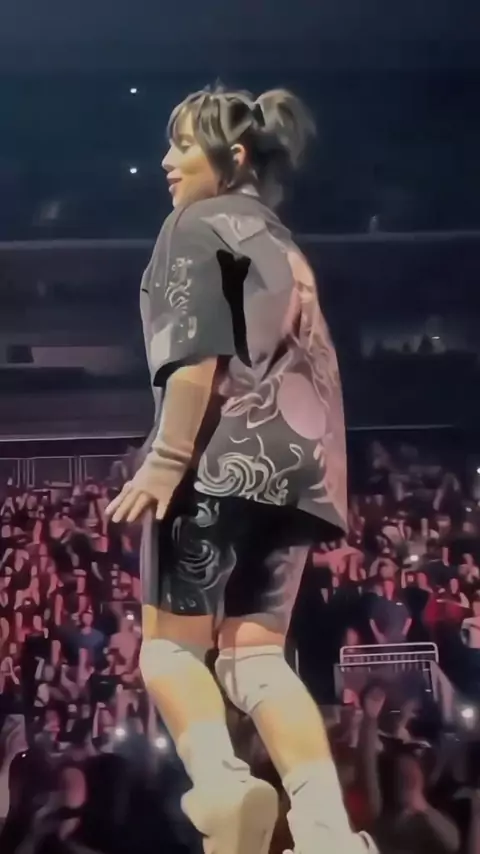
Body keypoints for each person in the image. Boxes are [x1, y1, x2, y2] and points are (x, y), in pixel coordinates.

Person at [106, 84, 375, 854]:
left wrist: (166, 459)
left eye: (182, 145)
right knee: (255, 661)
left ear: (233, 156)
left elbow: (196, 347)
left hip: (221, 458)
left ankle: (223, 790)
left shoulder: (195, 223)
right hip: (305, 473)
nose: (166, 160)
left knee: (168, 649)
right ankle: (327, 833)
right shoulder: (285, 245)